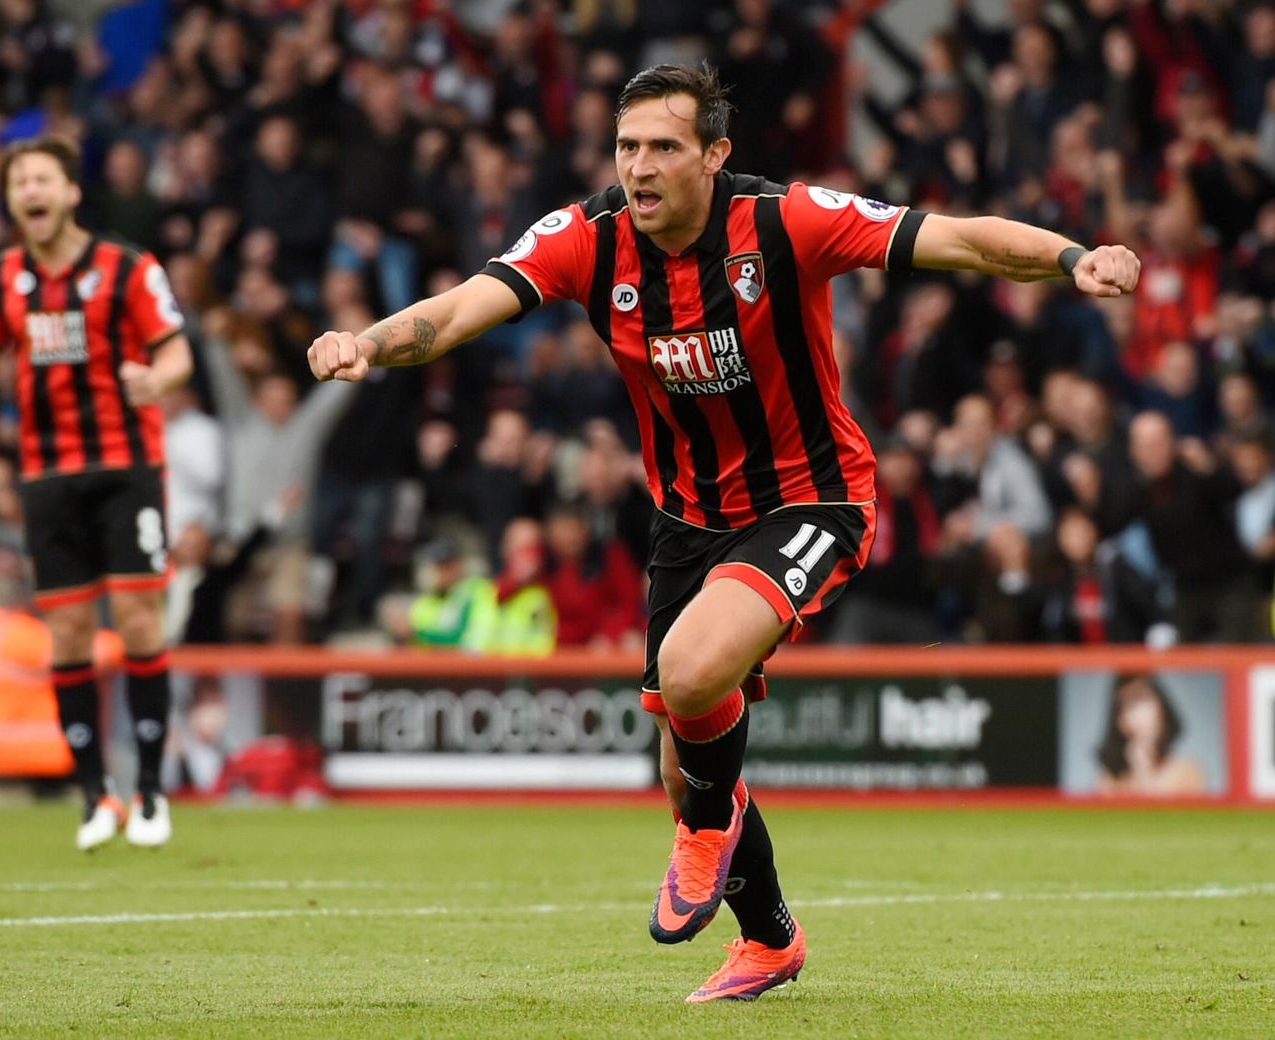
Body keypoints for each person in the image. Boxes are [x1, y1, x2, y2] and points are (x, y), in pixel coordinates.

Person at [307, 63, 1141, 1002]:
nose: (641, 167)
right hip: (686, 520)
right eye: (628, 147)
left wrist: (1075, 258)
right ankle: (769, 936)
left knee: (694, 678)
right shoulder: (589, 240)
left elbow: (957, 239)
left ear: (715, 154)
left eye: (664, 146)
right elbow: (463, 306)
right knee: (683, 764)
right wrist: (369, 342)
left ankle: (710, 830)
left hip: (810, 499)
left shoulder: (786, 221)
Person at [0, 135, 194, 851]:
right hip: (48, 476)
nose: (31, 191)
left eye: (43, 178)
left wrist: (157, 380)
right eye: (19, 183)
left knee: (141, 622)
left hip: (126, 466)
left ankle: (148, 790)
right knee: (70, 633)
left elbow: (176, 350)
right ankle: (92, 796)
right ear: (12, 200)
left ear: (72, 191)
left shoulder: (128, 268)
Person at [1095, 674, 1205, 797]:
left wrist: (1146, 774)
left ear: (1161, 707)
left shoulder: (1188, 772)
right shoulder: (1110, 780)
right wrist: (1139, 772)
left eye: (1140, 698)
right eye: (1124, 705)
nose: (1133, 713)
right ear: (1120, 722)